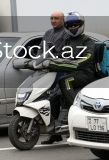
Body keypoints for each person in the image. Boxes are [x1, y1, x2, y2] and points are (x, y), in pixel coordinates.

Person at [47, 12, 96, 136]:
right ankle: (54, 133)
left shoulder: (88, 41)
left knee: (64, 81)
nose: (72, 27)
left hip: (85, 73)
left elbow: (88, 57)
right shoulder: (67, 41)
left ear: (81, 25)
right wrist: (48, 59)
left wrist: (75, 64)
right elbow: (59, 55)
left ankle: (76, 111)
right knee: (52, 95)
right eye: (69, 25)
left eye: (75, 25)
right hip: (70, 73)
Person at [39, 11, 69, 144]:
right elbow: (41, 49)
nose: (53, 20)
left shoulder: (67, 33)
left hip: (61, 70)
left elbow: (66, 52)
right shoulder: (48, 33)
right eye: (51, 18)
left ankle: (63, 129)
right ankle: (54, 132)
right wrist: (37, 60)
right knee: (47, 98)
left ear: (63, 20)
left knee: (56, 97)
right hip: (48, 70)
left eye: (56, 18)